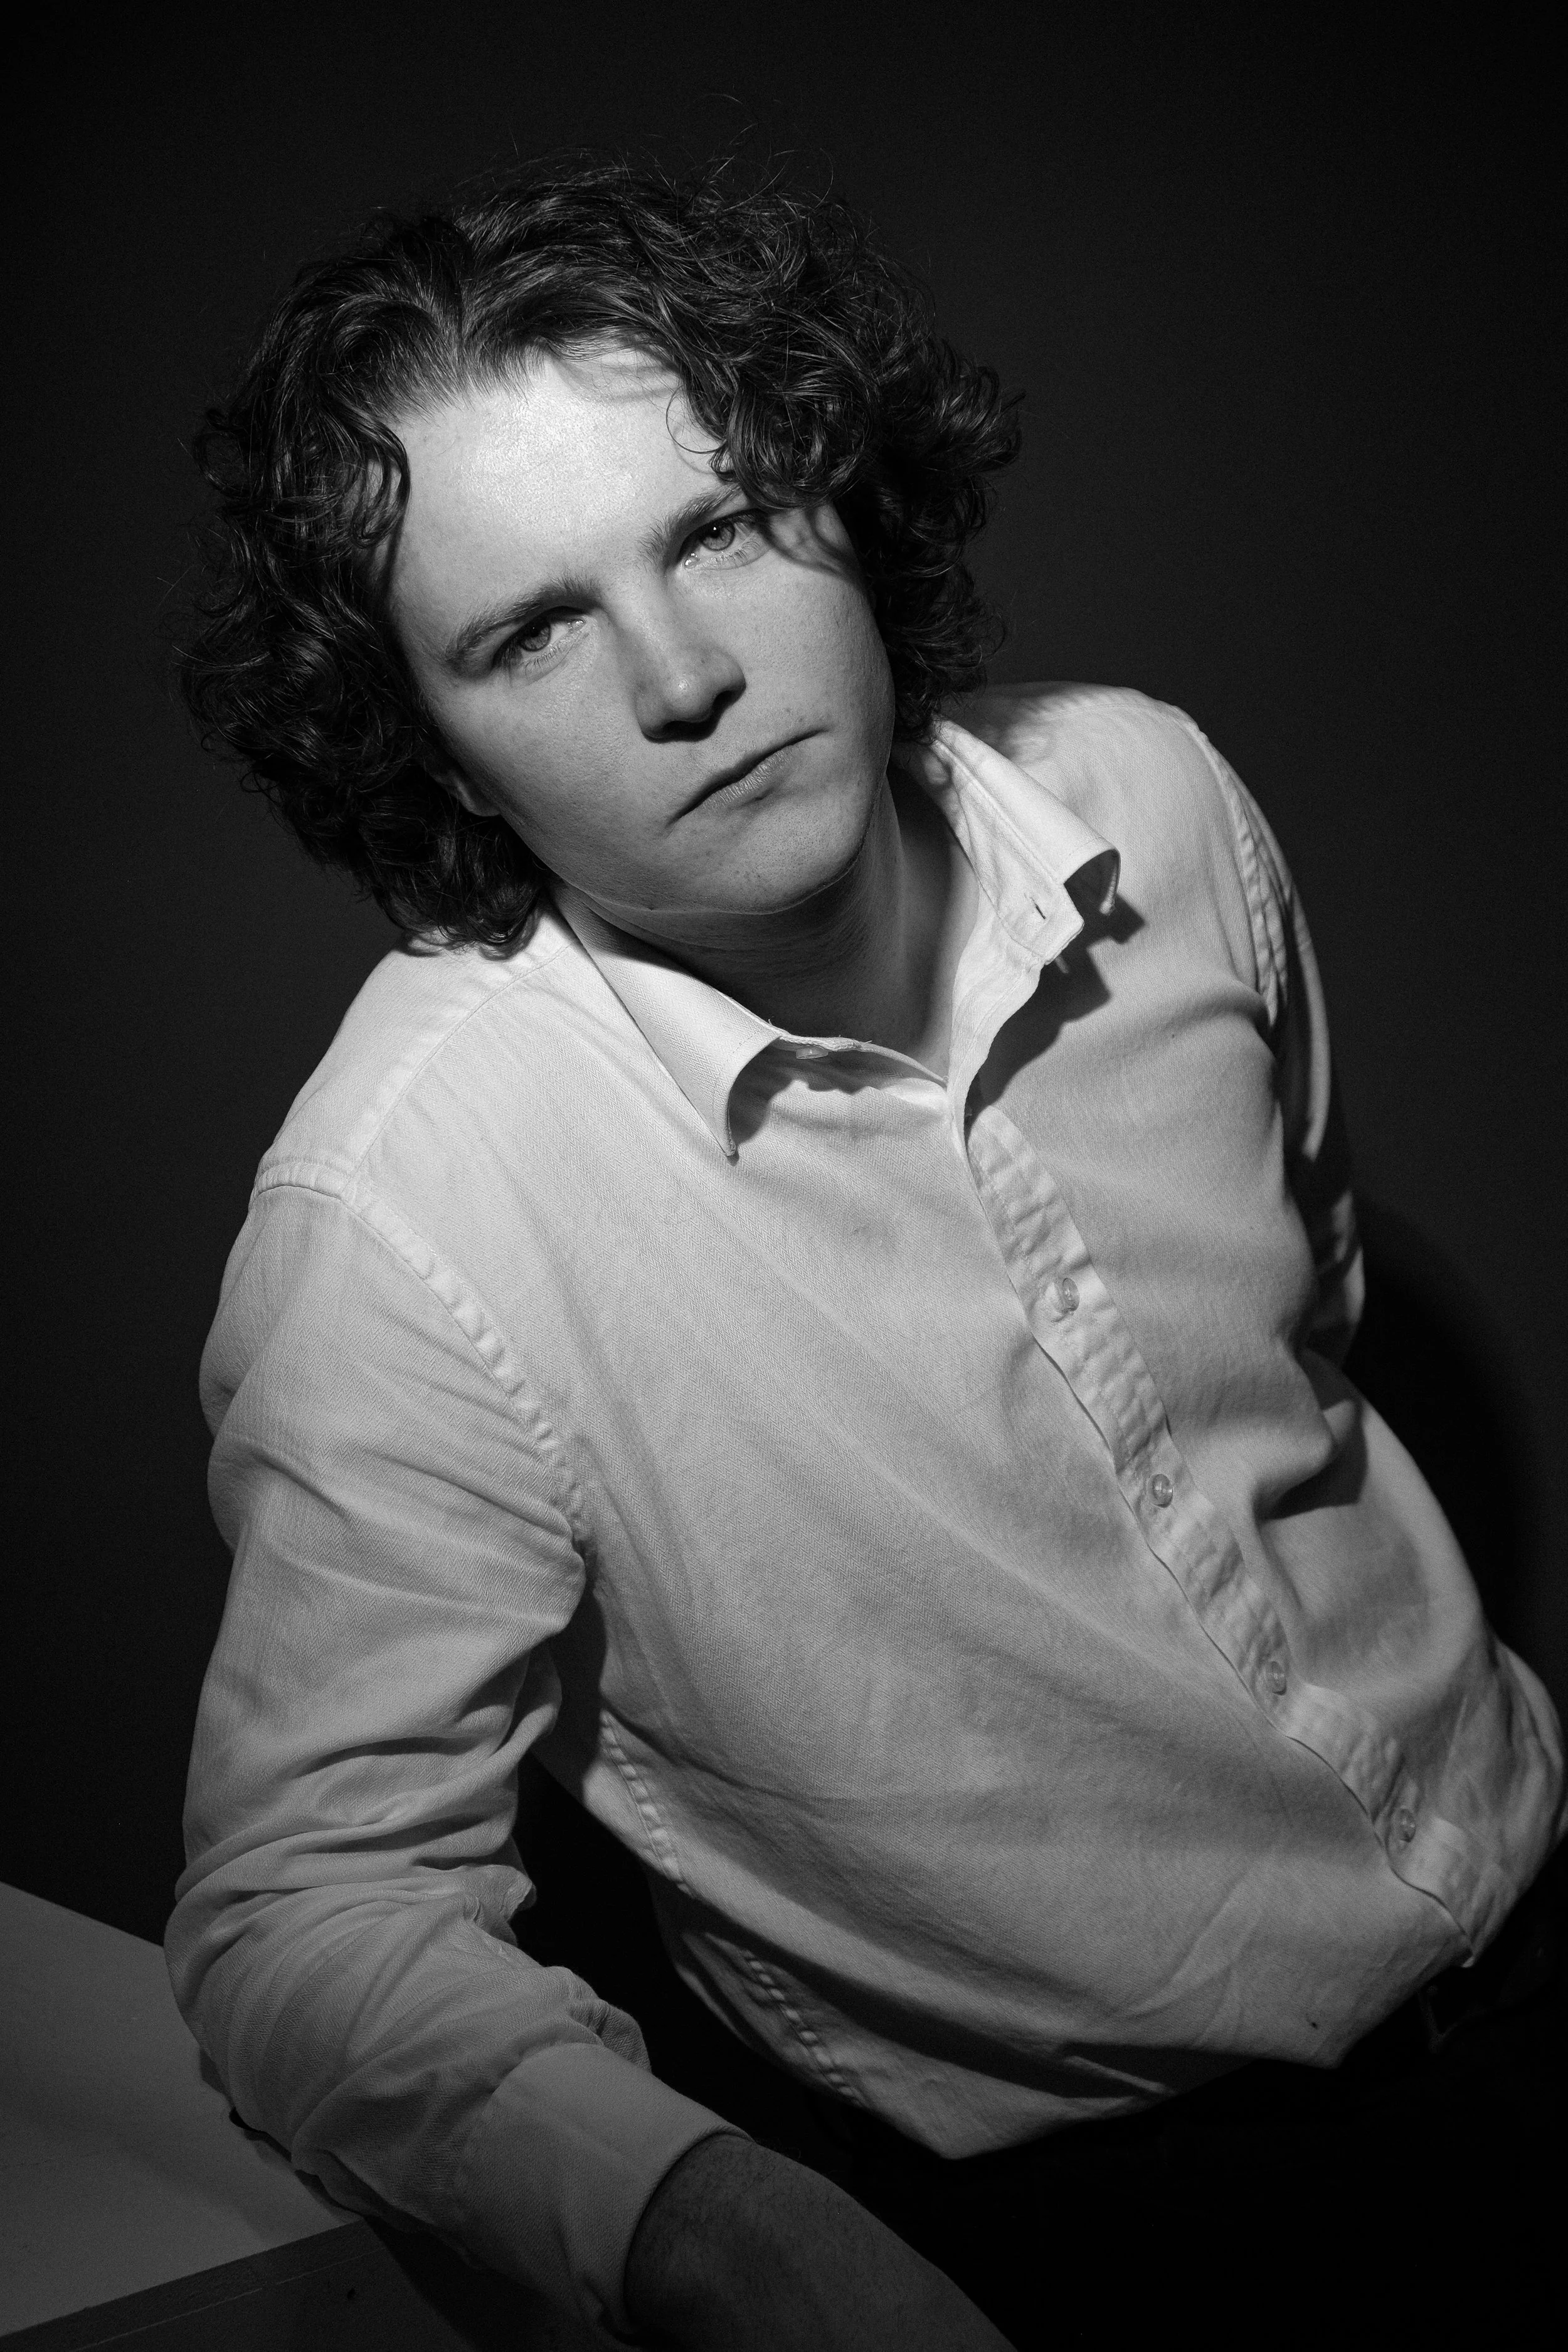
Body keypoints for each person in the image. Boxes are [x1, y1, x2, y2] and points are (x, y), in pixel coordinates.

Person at [168, 156, 1564, 2350]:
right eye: (529, 628)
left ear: (840, 491)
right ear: (414, 727)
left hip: (1538, 1877)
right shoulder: (405, 1217)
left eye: (713, 525)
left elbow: (1308, 1320)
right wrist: (719, 2234)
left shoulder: (1153, 795)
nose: (680, 674)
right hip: (1124, 2226)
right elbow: (301, 1908)